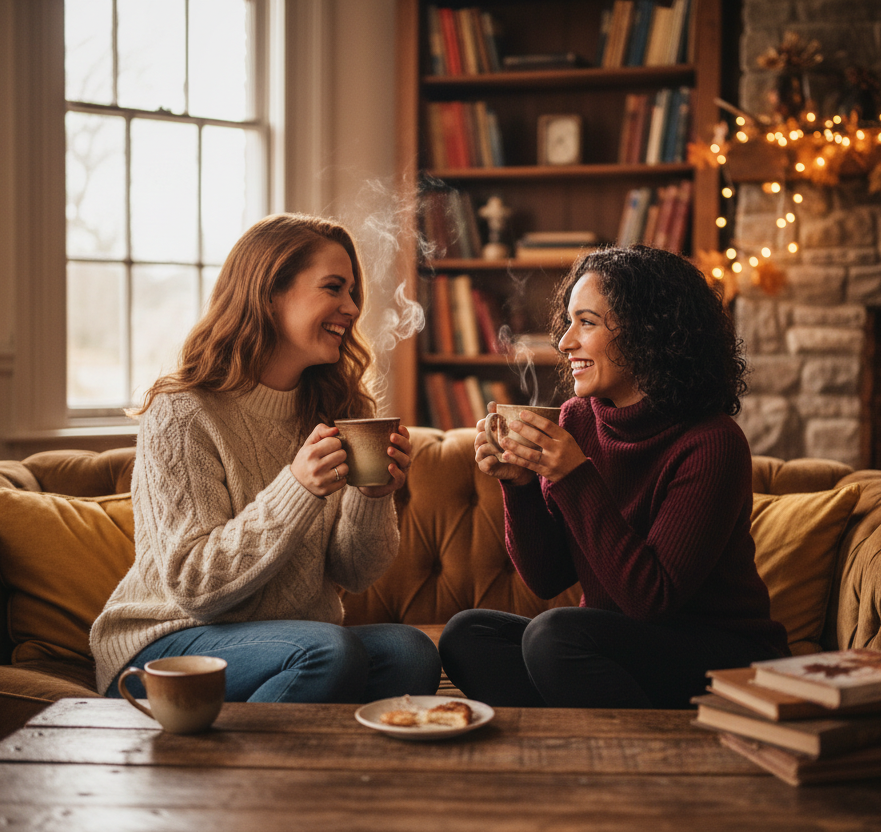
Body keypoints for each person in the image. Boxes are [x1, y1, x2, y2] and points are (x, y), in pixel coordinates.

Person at [91, 213, 441, 704]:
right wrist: (296, 488)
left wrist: (373, 495)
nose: (352, 307)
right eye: (334, 288)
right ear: (270, 293)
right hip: (166, 647)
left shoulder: (336, 410)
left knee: (411, 653)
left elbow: (354, 573)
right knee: (328, 652)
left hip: (293, 641)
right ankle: (246, 778)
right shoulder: (182, 413)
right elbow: (194, 585)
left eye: (353, 292)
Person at [439, 245, 788, 709]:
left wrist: (574, 475)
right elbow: (547, 578)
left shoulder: (712, 443)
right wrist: (519, 485)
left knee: (554, 636)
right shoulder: (578, 419)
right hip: (612, 643)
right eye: (568, 322)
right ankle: (576, 727)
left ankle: (604, 740)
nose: (564, 343)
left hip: (720, 653)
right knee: (469, 635)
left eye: (586, 323)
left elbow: (651, 598)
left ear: (649, 332)